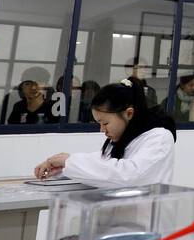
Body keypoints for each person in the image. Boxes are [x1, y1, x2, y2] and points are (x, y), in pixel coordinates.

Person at [33, 79, 177, 188]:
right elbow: (102, 163)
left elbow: (130, 176)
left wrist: (70, 162)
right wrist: (62, 168)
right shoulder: (123, 138)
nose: (102, 130)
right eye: (99, 124)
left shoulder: (159, 137)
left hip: (146, 221)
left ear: (129, 113)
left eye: (105, 123)